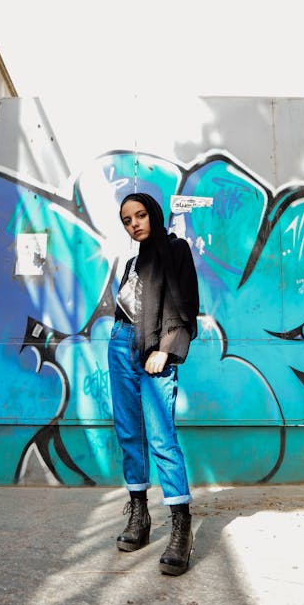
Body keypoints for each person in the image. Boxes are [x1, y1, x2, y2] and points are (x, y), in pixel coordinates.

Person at [108, 192, 199, 575]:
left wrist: (166, 348)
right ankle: (140, 516)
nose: (135, 224)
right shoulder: (133, 262)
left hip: (154, 348)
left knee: (161, 437)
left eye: (141, 215)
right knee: (130, 434)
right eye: (128, 220)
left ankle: (180, 527)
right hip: (120, 344)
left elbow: (185, 305)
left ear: (154, 214)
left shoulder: (176, 251)